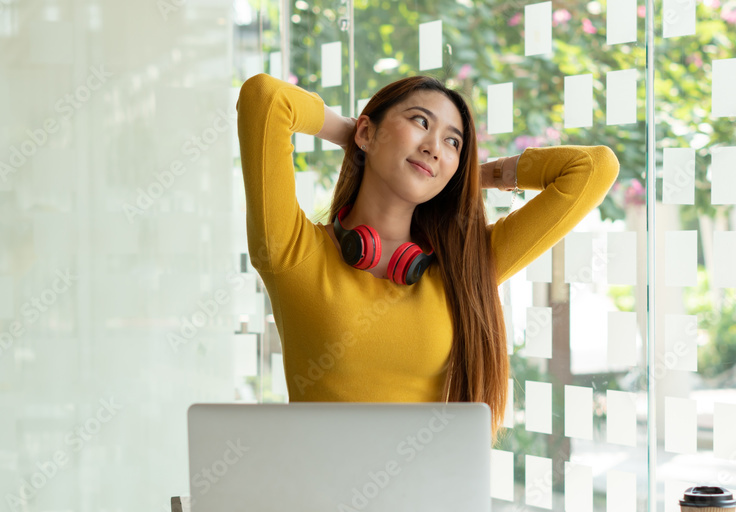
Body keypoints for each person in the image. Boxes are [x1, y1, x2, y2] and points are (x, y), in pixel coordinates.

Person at [236, 73, 619, 443]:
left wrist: (474, 176)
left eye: (453, 143)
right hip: (316, 506)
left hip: (433, 505)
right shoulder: (293, 251)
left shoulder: (465, 267)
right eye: (421, 121)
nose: (435, 147)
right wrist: (352, 136)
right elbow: (266, 99)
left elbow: (594, 169)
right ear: (368, 131)